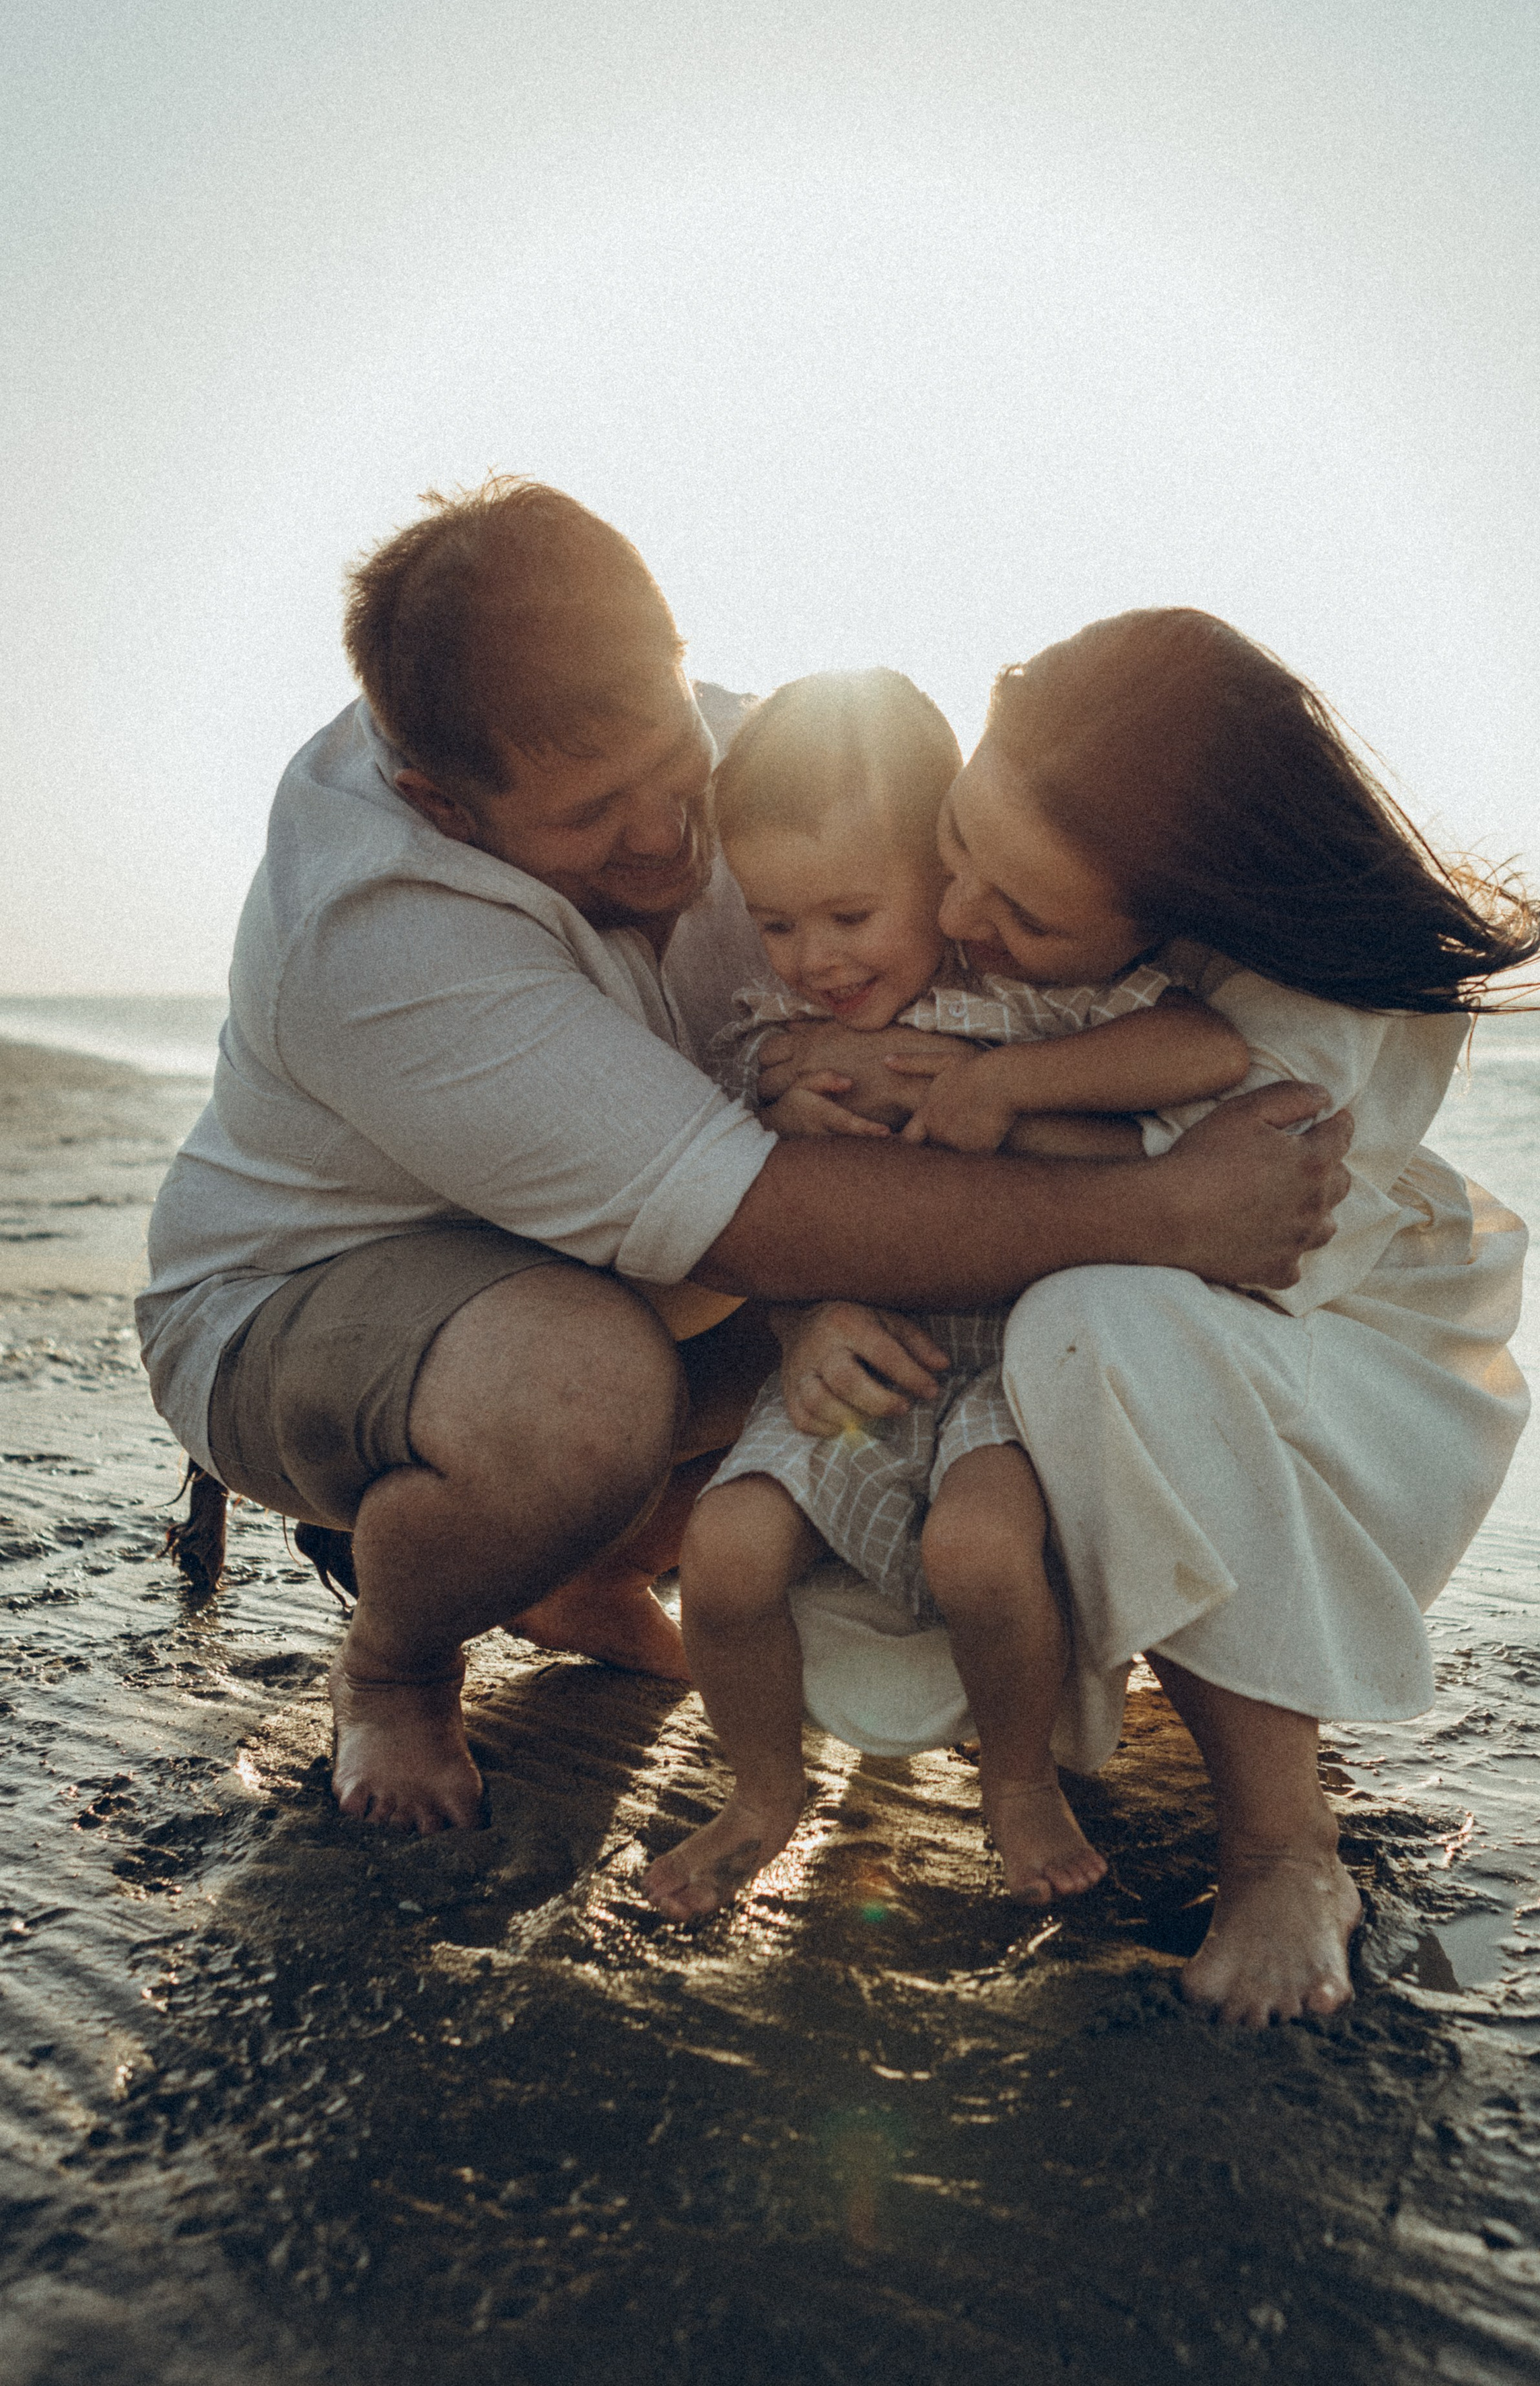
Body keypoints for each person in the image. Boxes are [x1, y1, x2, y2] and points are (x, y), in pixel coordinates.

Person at [136, 490, 1354, 1845]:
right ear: (442, 802)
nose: (666, 836)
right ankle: (400, 1654)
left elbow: (979, 903)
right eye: (593, 815)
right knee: (586, 1394)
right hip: (299, 1308)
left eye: (673, 759)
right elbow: (762, 1223)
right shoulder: (372, 925)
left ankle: (574, 1569)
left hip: (611, 1266)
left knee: (864, 1345)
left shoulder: (744, 754)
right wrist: (1166, 1210)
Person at [750, 609, 1540, 2026]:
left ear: (1180, 907)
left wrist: (960, 1101)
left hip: (1345, 1375)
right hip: (1162, 1350)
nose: (956, 919)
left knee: (1096, 1317)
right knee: (978, 1362)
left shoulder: (1312, 1024)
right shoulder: (1036, 869)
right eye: (955, 848)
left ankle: (1282, 1847)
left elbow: (1217, 1228)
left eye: (1019, 912)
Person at [641, 671, 1249, 1916]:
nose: (813, 959)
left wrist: (1013, 1084)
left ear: (942, 872)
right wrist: (775, 1108)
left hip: (1015, 1365)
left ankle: (1017, 1782)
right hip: (860, 1366)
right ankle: (763, 1790)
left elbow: (1211, 1048)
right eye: (776, 924)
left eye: (851, 915)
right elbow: (720, 1164)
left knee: (978, 1550)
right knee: (724, 1550)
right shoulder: (777, 1033)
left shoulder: (1032, 999)